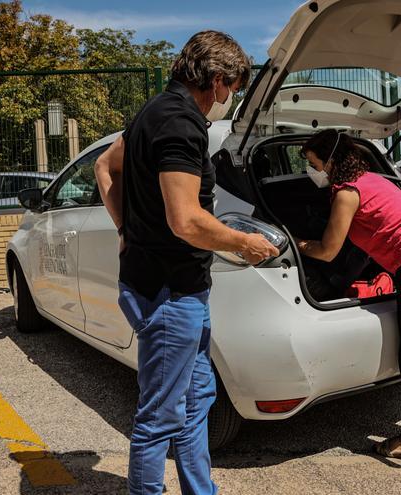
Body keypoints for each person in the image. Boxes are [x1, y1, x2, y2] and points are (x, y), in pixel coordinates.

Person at [95, 31, 279, 495]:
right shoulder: (180, 122)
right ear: (217, 80)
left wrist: (125, 229)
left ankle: (201, 489)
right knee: (160, 414)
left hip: (168, 286)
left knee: (197, 397)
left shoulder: (151, 113)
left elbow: (105, 166)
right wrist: (244, 243)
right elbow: (186, 221)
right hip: (169, 292)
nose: (231, 100)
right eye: (233, 90)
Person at [295, 129, 401, 463]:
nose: (310, 169)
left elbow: (329, 251)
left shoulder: (346, 193)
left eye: (311, 162)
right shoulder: (372, 178)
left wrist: (298, 243)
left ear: (329, 161)